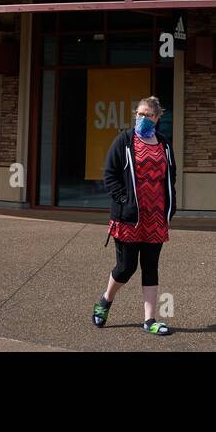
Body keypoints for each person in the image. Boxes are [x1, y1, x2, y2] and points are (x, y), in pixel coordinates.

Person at [94, 96, 177, 335]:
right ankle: (105, 300)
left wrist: (170, 205)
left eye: (148, 115)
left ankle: (150, 321)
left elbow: (170, 176)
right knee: (125, 267)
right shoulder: (124, 141)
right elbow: (109, 176)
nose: (142, 119)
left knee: (151, 267)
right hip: (129, 218)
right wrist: (125, 201)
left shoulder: (164, 143)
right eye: (139, 114)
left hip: (155, 219)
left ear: (157, 117)